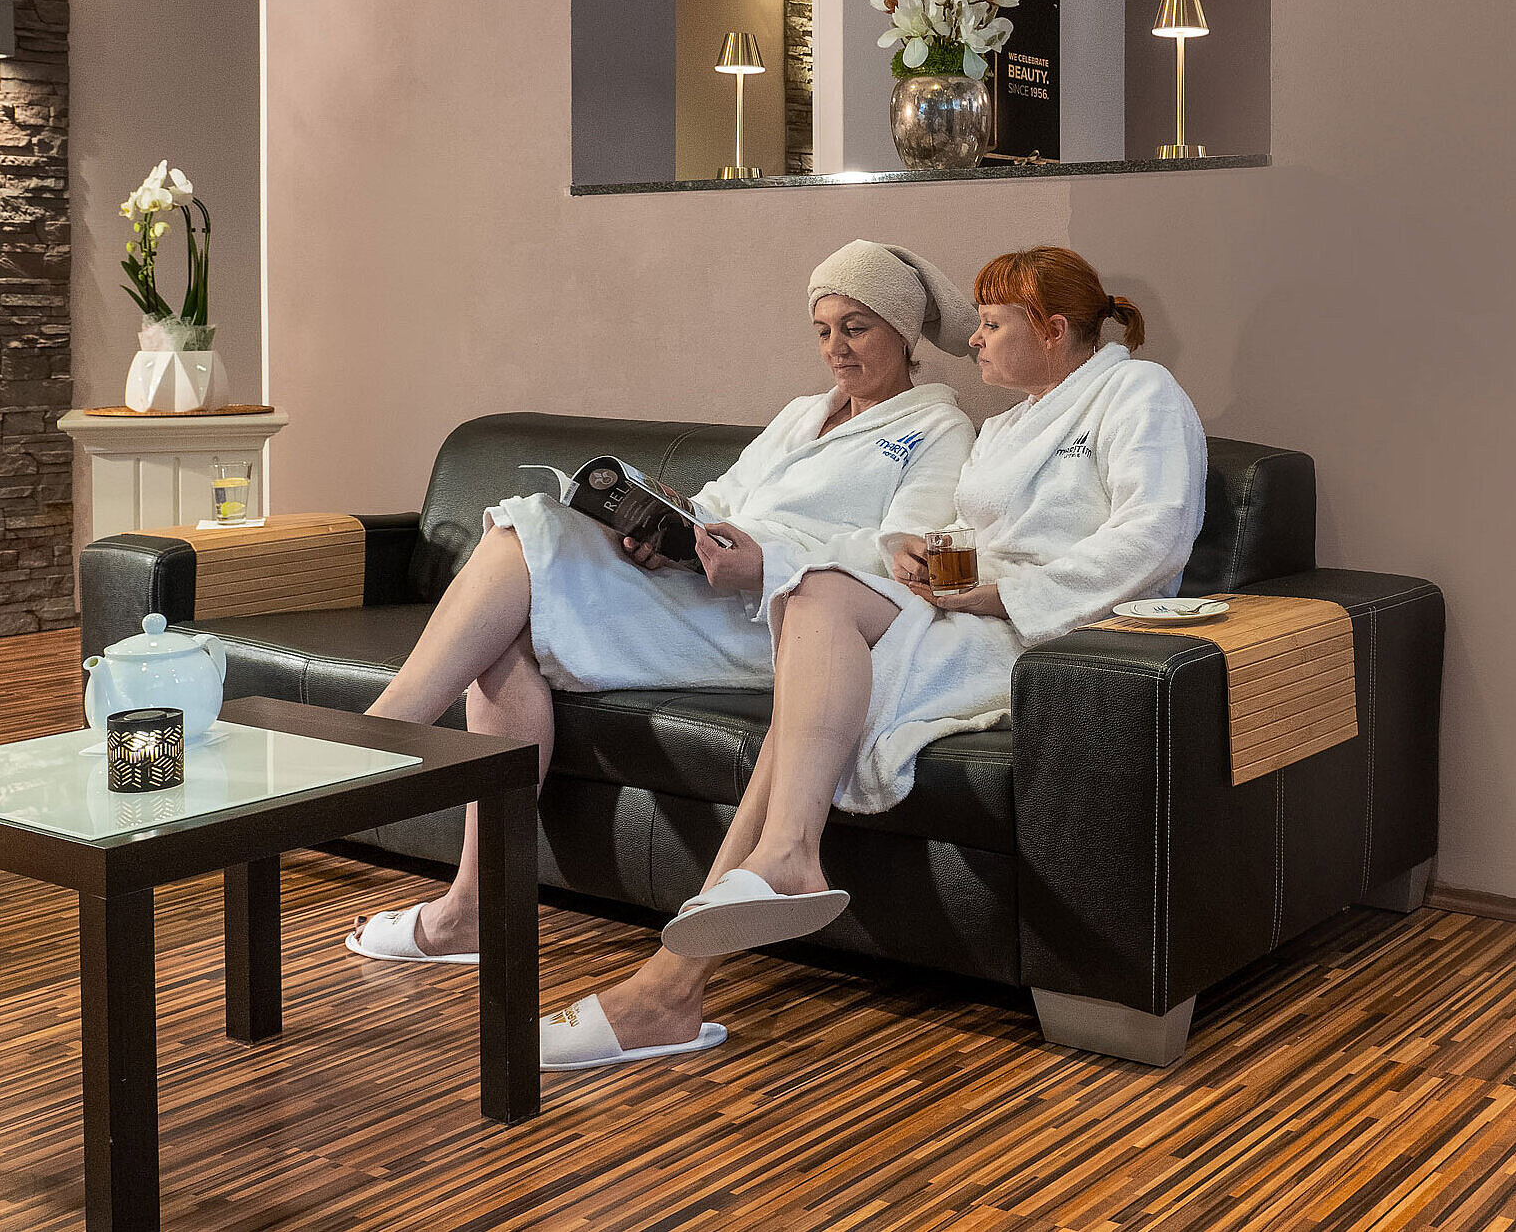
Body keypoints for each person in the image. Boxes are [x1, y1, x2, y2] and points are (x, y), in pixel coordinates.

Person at [542, 245, 1207, 1071]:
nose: (974, 341)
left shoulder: (1137, 393)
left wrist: (1000, 594)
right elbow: (980, 540)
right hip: (966, 611)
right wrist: (922, 559)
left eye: (992, 324)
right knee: (814, 592)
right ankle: (758, 887)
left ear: (1053, 328)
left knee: (801, 711)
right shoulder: (1004, 427)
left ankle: (670, 987)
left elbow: (1154, 536)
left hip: (1059, 637)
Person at [347, 241, 979, 966]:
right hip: (704, 585)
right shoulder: (806, 413)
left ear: (901, 331)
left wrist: (765, 559)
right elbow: (723, 502)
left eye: (856, 327)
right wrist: (665, 522)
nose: (835, 348)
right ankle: (471, 908)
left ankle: (377, 744)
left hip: (780, 616)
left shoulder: (938, 428)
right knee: (519, 568)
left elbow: (902, 557)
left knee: (525, 535)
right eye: (822, 328)